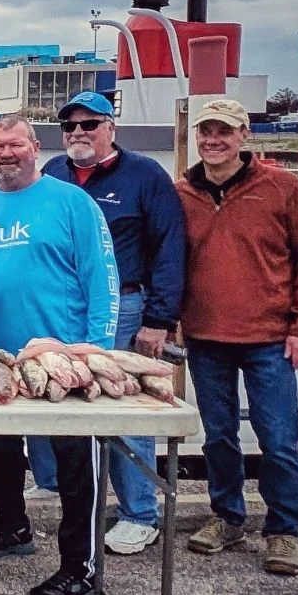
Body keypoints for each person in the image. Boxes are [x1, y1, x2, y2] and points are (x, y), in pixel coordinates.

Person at [0, 117, 119, 595]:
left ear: (35, 148)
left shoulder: (71, 203)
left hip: (64, 360)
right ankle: (11, 525)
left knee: (74, 462)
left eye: (15, 145)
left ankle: (79, 566)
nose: (5, 154)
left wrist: (96, 351)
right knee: (1, 447)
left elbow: (102, 276)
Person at [177, 97, 298, 578]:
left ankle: (283, 530)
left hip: (268, 338)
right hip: (205, 337)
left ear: (245, 137)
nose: (213, 140)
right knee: (218, 436)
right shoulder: (183, 193)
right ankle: (227, 516)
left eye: (224, 131)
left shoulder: (281, 189)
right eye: (206, 132)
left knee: (279, 438)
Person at [42, 91, 186, 556]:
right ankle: (66, 495)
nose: (79, 133)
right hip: (64, 311)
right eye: (70, 127)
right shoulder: (53, 174)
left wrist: (159, 319)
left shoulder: (145, 175)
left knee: (124, 412)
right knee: (65, 403)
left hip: (125, 311)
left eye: (90, 124)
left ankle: (139, 514)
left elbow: (170, 248)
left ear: (111, 129)